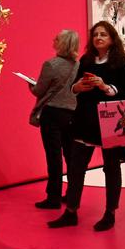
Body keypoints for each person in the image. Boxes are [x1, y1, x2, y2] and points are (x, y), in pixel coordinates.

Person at [48, 21, 125, 231]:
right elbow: (74, 87)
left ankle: (110, 212)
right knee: (76, 166)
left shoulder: (121, 62)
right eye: (95, 35)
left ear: (112, 38)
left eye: (103, 34)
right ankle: (71, 211)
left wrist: (104, 86)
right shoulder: (86, 60)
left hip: (111, 121)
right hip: (85, 119)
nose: (99, 38)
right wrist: (79, 86)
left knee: (111, 167)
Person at [30, 29, 80, 209]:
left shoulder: (51, 65)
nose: (54, 40)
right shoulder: (78, 66)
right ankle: (72, 194)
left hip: (52, 114)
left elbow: (39, 91)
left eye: (57, 38)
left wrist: (31, 85)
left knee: (54, 157)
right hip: (71, 114)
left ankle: (53, 197)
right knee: (71, 157)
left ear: (62, 43)